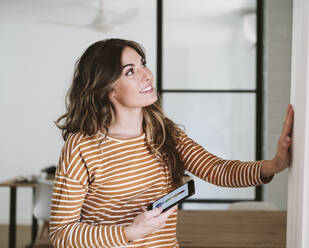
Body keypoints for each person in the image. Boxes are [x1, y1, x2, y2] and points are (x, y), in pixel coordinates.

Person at [50, 38, 294, 248]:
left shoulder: (164, 132)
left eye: (143, 64)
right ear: (106, 89)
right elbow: (62, 234)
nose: (147, 75)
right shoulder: (81, 146)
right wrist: (128, 233)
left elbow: (218, 170)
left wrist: (273, 166)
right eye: (130, 71)